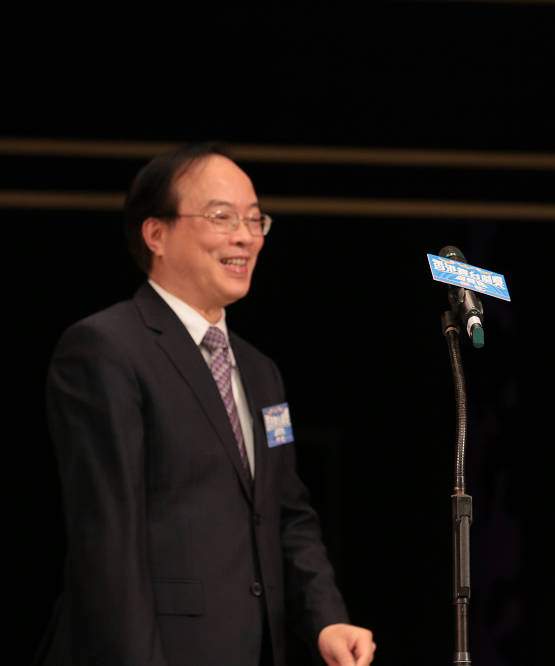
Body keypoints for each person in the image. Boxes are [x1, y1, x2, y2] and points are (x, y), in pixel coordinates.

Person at [36, 144, 375, 666]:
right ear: (156, 234)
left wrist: (326, 617)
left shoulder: (261, 372)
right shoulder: (106, 349)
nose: (245, 236)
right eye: (222, 217)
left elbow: (287, 512)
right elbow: (108, 541)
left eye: (255, 219)